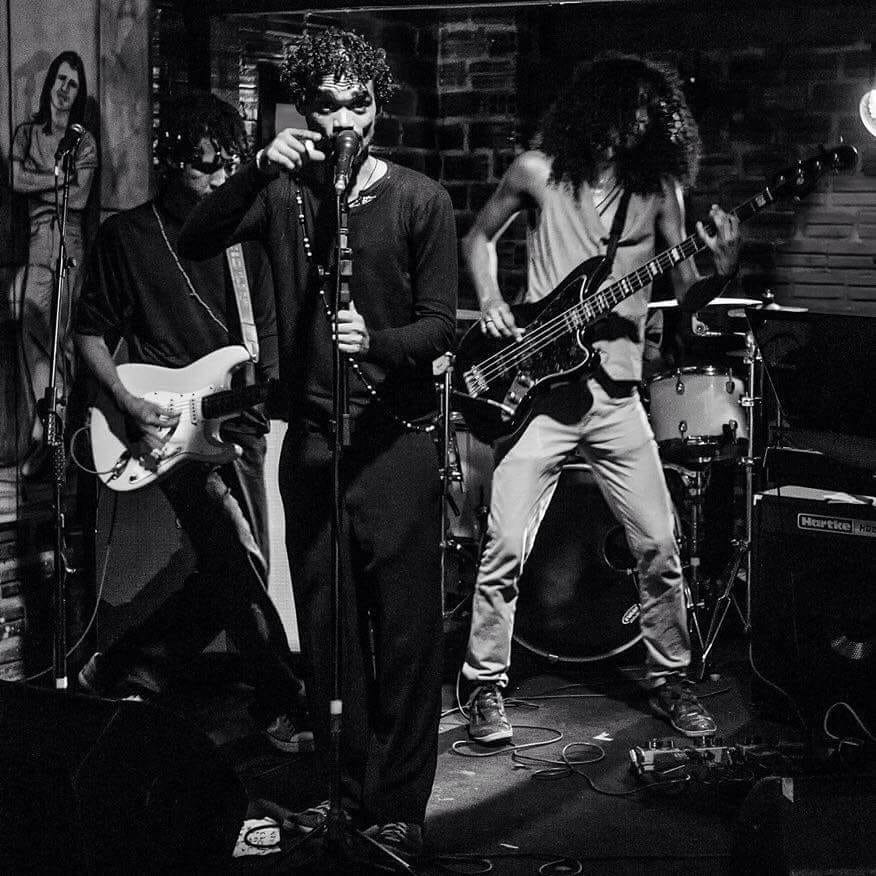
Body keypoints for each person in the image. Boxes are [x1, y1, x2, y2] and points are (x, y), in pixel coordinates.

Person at [178, 29, 457, 866]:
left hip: (395, 442)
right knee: (330, 638)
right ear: (305, 110)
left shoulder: (419, 200)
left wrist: (377, 341)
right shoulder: (282, 194)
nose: (342, 121)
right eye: (327, 106)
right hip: (312, 444)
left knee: (404, 638)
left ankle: (399, 806)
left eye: (357, 104)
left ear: (378, 108)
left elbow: (441, 325)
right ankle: (346, 790)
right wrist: (255, 167)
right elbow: (195, 237)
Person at [460, 54, 741, 744]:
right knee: (503, 544)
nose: (642, 121)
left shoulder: (661, 190)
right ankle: (484, 682)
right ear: (600, 108)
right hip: (539, 393)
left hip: (616, 396)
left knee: (659, 542)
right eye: (632, 107)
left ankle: (670, 677)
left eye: (651, 111)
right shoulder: (537, 172)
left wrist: (721, 268)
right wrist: (491, 298)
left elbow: (687, 291)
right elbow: (479, 238)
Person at [73, 93, 310, 754]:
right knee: (237, 556)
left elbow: (266, 337)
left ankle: (123, 665)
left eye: (227, 164)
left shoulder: (245, 230)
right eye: (204, 166)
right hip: (168, 430)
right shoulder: (128, 238)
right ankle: (281, 702)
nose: (217, 178)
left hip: (240, 420)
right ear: (171, 161)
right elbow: (88, 334)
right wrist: (126, 400)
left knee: (235, 568)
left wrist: (274, 391)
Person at [11, 51, 98, 477]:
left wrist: (39, 183)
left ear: (78, 94)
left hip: (69, 243)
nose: (64, 89)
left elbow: (77, 200)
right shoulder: (27, 134)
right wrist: (59, 179)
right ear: (50, 82)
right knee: (30, 327)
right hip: (36, 244)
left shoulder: (85, 142)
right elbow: (15, 180)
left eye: (73, 84)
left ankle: (53, 436)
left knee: (62, 341)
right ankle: (45, 425)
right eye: (60, 80)